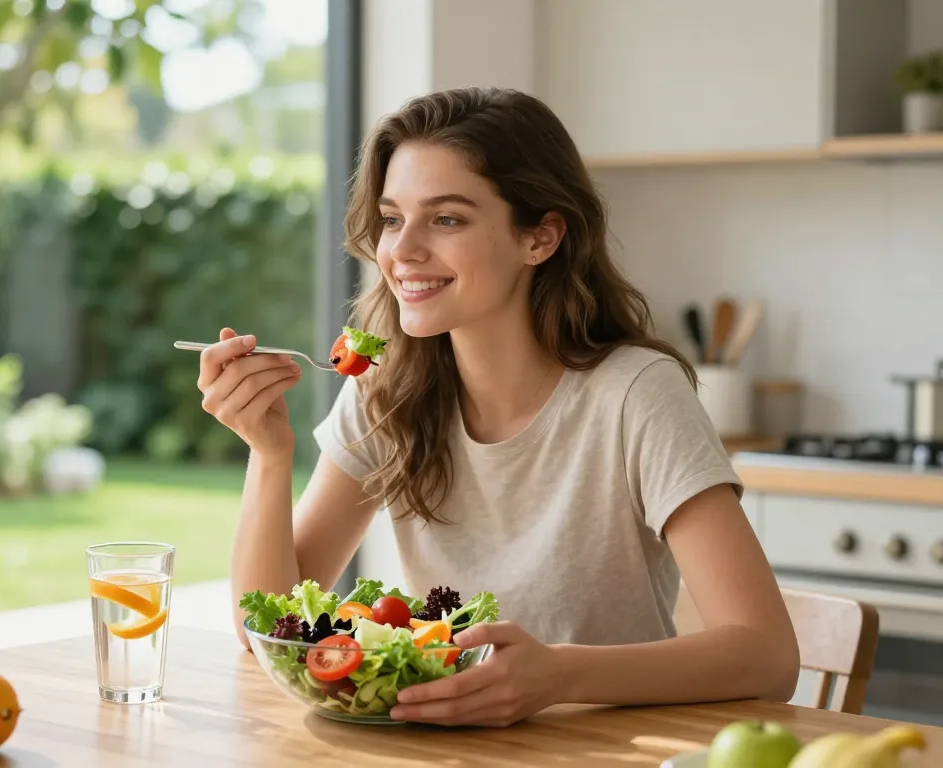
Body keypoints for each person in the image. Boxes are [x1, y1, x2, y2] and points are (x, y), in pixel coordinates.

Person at [197, 86, 800, 727]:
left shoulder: (636, 394)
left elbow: (767, 656)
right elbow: (265, 625)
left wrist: (559, 675)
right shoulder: (386, 388)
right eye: (394, 218)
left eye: (447, 219)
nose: (402, 251)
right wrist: (269, 453)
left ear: (539, 238)